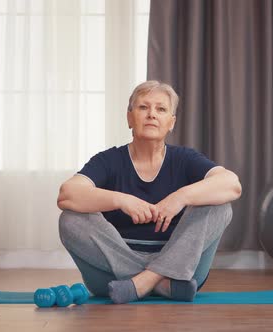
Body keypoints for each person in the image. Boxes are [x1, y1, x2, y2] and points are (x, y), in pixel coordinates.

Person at [57, 80, 242, 304]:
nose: (152, 114)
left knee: (220, 206)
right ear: (129, 118)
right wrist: (120, 200)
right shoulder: (108, 160)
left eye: (161, 109)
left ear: (171, 122)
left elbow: (231, 184)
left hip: (182, 267)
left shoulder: (185, 159)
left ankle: (144, 282)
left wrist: (180, 197)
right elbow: (67, 194)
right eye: (143, 107)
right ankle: (162, 283)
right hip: (116, 272)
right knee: (70, 219)